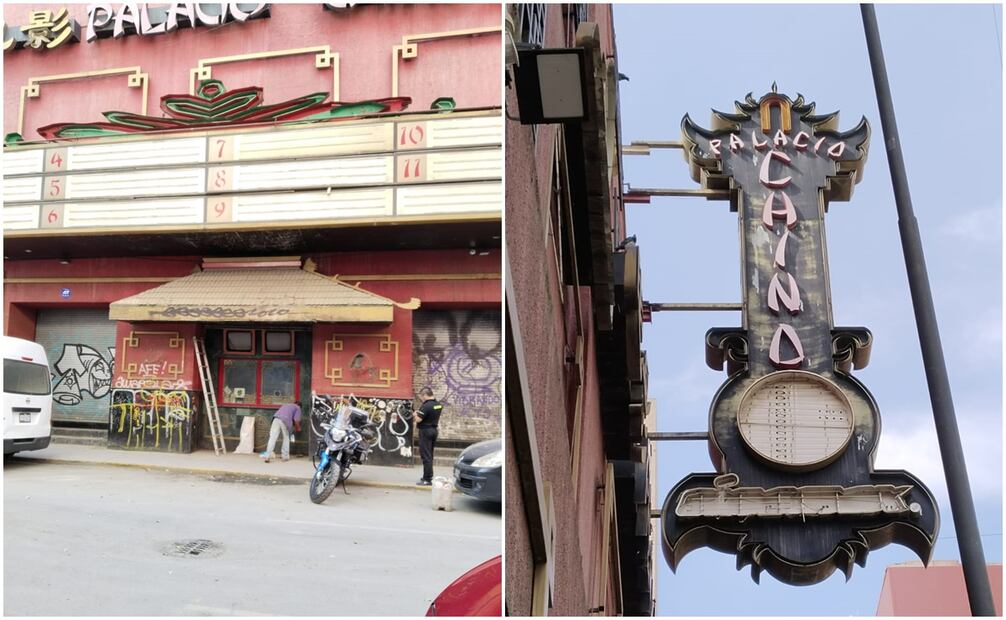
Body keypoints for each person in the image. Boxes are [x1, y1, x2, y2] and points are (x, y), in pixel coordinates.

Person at [415, 387, 443, 486]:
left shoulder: (426, 406)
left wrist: (415, 414)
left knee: (425, 456)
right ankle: (428, 476)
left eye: (421, 396)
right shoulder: (438, 405)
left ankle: (427, 479)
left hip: (425, 431)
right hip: (434, 430)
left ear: (425, 395)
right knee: (430, 455)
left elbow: (418, 419)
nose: (421, 399)